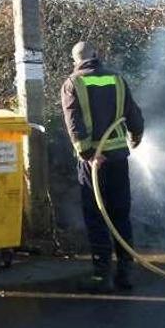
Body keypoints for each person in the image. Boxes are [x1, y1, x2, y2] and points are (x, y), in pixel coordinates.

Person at [61, 41, 144, 293]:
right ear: (97, 56)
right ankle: (125, 273)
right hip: (118, 157)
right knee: (120, 213)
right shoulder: (117, 79)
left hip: (94, 162)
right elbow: (134, 114)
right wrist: (135, 136)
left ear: (76, 61)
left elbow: (74, 123)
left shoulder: (72, 83)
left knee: (97, 216)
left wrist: (88, 154)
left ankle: (101, 275)